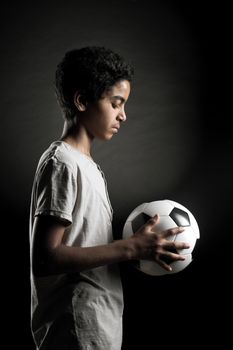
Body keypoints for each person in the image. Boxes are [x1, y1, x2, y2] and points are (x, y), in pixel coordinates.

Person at [29, 46, 190, 350]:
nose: (123, 115)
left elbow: (88, 247)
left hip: (100, 327)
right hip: (75, 331)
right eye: (116, 103)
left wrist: (139, 250)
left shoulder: (87, 165)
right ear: (81, 101)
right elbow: (45, 258)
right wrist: (129, 248)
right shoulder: (62, 163)